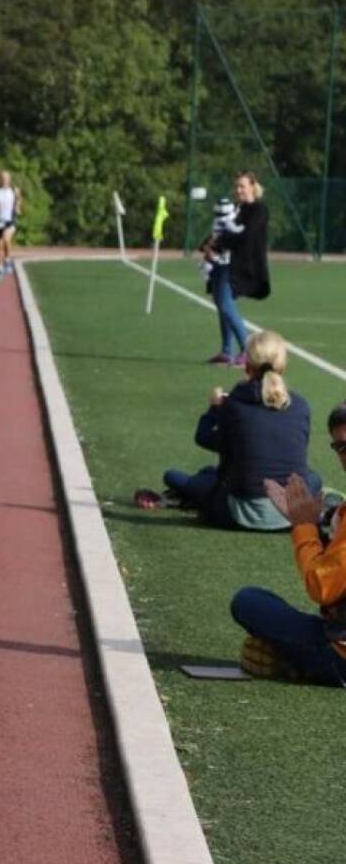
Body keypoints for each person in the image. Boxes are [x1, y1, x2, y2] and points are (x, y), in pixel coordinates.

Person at [142, 330, 320, 529]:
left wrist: (214, 408)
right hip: (293, 516)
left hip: (238, 513)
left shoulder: (234, 404)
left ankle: (194, 491)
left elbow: (205, 438)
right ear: (283, 366)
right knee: (314, 478)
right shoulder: (301, 405)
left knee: (174, 477)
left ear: (246, 365)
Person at [231, 402, 346, 684]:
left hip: (339, 657)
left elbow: (322, 586)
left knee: (248, 601)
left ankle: (297, 661)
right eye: (341, 447)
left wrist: (303, 525)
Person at [203, 171, 270, 365]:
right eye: (237, 186)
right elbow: (222, 230)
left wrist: (217, 245)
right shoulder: (237, 209)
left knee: (225, 303)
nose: (238, 190)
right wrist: (207, 246)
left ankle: (248, 351)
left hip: (241, 266)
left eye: (242, 186)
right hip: (223, 262)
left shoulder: (259, 210)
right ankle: (226, 351)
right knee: (220, 304)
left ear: (252, 186)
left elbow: (245, 238)